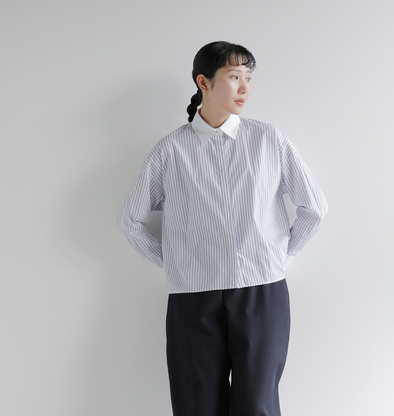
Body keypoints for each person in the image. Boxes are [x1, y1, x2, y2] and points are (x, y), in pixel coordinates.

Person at [117, 41, 328, 416]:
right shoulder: (170, 151)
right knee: (197, 405)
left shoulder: (268, 140)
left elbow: (315, 207)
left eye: (248, 77)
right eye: (234, 77)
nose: (245, 87)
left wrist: (281, 257)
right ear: (204, 82)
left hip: (262, 291)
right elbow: (130, 220)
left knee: (258, 405)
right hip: (193, 297)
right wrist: (177, 263)